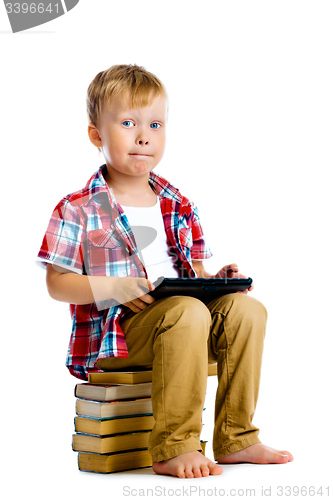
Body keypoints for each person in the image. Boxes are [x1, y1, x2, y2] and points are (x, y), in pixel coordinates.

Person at [38, 64, 293, 478]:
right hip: (120, 337)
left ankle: (236, 437)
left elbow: (194, 273)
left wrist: (217, 282)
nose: (144, 136)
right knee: (185, 312)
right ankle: (174, 446)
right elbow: (56, 284)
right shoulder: (79, 208)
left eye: (155, 124)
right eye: (127, 123)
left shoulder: (178, 203)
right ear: (96, 135)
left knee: (248, 310)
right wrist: (114, 286)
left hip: (183, 324)